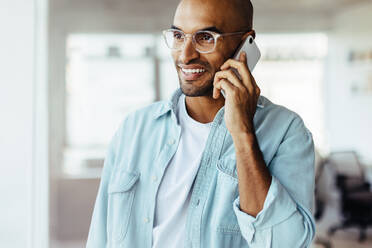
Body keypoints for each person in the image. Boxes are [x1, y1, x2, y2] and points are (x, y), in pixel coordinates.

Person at [86, 0, 315, 247]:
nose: (185, 55)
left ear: (245, 43)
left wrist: (243, 133)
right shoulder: (134, 128)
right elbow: (100, 235)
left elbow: (286, 243)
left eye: (205, 37)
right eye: (178, 36)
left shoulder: (286, 132)